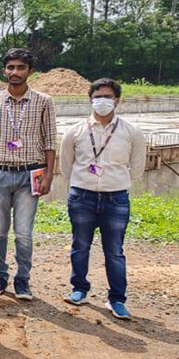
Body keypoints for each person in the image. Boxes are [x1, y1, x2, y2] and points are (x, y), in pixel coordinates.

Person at [60, 78, 145, 320]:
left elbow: (137, 167)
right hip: (82, 197)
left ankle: (117, 299)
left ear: (117, 100)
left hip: (116, 199)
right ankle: (79, 289)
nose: (103, 102)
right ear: (90, 100)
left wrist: (114, 183)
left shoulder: (131, 132)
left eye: (108, 97)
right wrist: (84, 183)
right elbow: (67, 167)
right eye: (98, 97)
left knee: (114, 251)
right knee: (80, 246)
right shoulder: (75, 131)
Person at [0, 48, 57, 300]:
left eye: (20, 68)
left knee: (24, 233)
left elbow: (49, 141)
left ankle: (23, 279)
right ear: (4, 70)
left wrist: (48, 175)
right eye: (10, 67)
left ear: (30, 71)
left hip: (30, 175)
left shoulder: (43, 101)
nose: (15, 72)